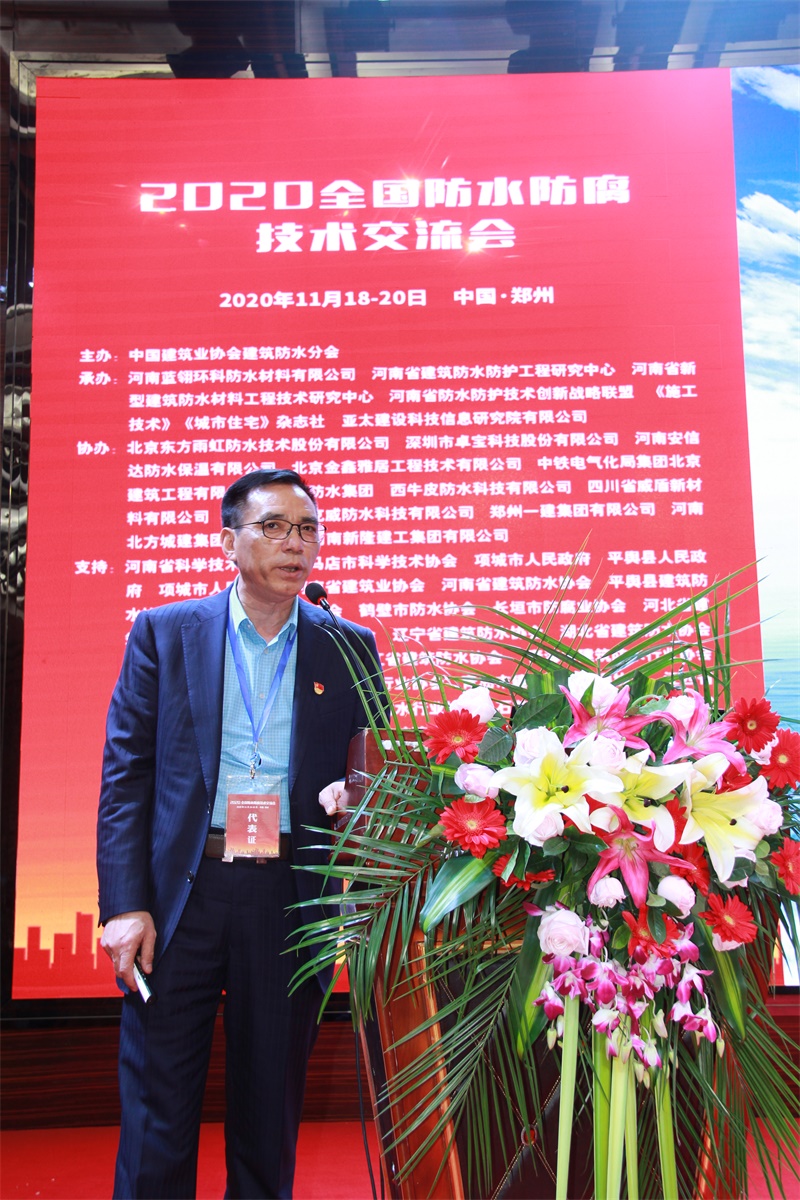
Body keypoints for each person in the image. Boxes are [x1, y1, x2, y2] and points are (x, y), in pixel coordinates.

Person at [97, 468, 381, 1199]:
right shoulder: (165, 634)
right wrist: (124, 905)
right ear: (229, 542)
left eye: (308, 529)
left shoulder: (349, 646)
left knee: (267, 1116)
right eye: (274, 527)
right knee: (157, 1114)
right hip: (182, 899)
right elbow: (126, 777)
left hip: (289, 899)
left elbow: (377, 773)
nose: (296, 544)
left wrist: (355, 800)